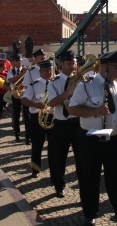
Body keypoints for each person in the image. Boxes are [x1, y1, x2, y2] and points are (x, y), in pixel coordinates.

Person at [68, 49, 117, 226]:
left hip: (114, 140)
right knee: (91, 178)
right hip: (92, 137)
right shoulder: (86, 85)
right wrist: (93, 112)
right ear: (105, 67)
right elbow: (72, 109)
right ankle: (90, 213)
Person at [47, 50, 82, 198]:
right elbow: (52, 102)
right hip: (61, 123)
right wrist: (68, 92)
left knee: (81, 156)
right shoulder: (54, 82)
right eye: (69, 63)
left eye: (73, 63)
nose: (72, 66)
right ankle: (59, 185)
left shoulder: (81, 80)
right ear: (62, 64)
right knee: (59, 157)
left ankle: (83, 183)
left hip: (78, 122)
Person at [21, 59, 54, 178]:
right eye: (45, 70)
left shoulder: (56, 84)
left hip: (51, 118)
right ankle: (35, 170)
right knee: (36, 146)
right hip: (36, 118)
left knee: (53, 147)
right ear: (40, 72)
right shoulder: (34, 84)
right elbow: (24, 99)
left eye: (50, 70)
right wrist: (35, 105)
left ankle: (53, 172)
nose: (48, 73)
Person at [21, 49, 48, 145]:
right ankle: (29, 137)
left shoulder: (49, 68)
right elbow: (26, 85)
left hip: (47, 106)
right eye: (41, 58)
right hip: (34, 100)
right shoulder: (30, 71)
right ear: (35, 59)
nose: (43, 60)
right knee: (29, 120)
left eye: (44, 58)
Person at [6, 54, 26, 142]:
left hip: (25, 94)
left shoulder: (25, 70)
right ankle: (17, 134)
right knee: (16, 115)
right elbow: (10, 80)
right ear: (14, 62)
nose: (20, 62)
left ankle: (28, 136)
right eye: (18, 61)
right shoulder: (11, 71)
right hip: (15, 95)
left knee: (26, 115)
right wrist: (22, 75)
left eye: (21, 61)